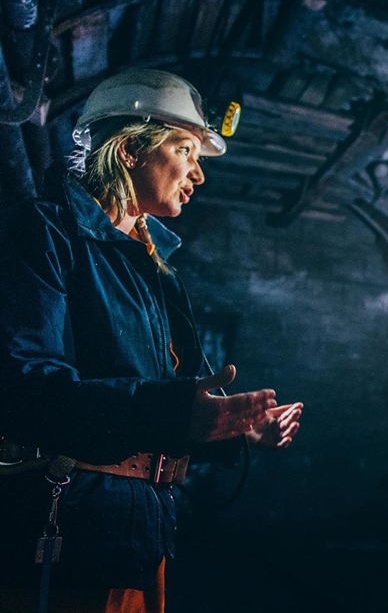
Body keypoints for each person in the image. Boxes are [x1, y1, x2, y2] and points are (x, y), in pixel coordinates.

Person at [0, 69, 302, 612]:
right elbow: (24, 387)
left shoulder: (156, 269)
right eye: (185, 150)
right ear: (129, 151)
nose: (197, 175)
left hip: (139, 531)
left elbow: (172, 401)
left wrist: (235, 429)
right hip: (66, 527)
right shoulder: (43, 232)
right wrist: (175, 411)